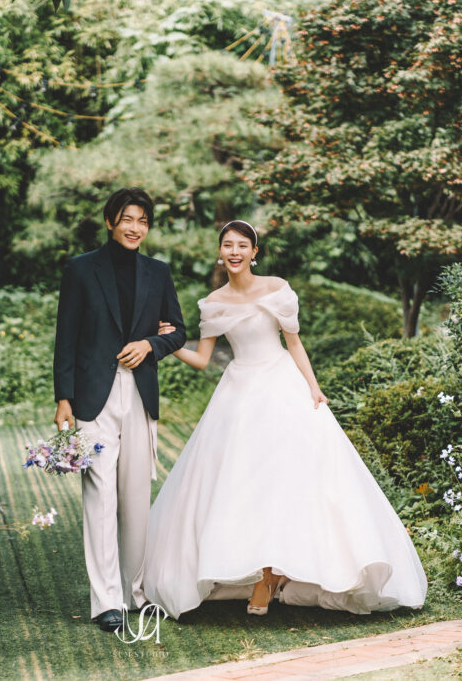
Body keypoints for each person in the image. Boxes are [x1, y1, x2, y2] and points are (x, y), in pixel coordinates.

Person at [143, 220, 427, 619]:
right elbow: (203, 359)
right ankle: (257, 568)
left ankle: (271, 575)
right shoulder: (213, 302)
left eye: (243, 245)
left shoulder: (277, 289)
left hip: (281, 385)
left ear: (254, 252)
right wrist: (168, 343)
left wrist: (313, 387)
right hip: (239, 394)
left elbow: (294, 343)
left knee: (290, 478)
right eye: (228, 245)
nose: (235, 252)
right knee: (244, 481)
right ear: (220, 252)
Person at [53, 188, 187, 632]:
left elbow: (178, 331)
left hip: (141, 394)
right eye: (127, 219)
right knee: (99, 496)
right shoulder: (80, 269)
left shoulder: (158, 272)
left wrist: (150, 344)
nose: (135, 227)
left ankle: (134, 593)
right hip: (93, 396)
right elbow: (66, 336)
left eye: (143, 221)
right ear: (110, 221)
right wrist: (63, 397)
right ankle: (106, 601)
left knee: (135, 499)